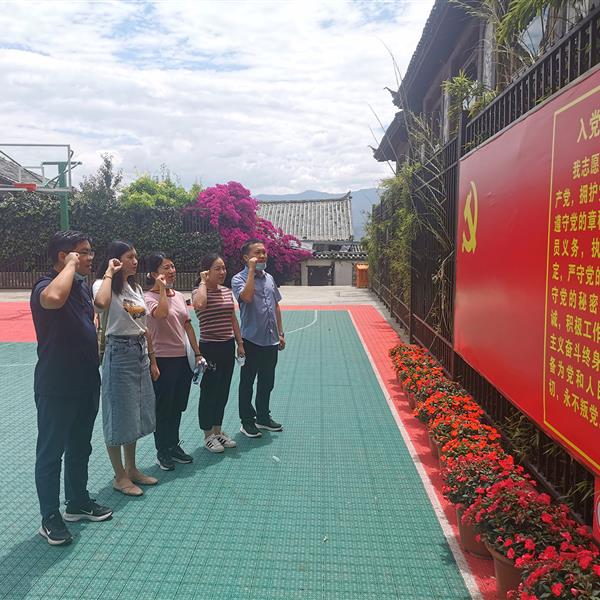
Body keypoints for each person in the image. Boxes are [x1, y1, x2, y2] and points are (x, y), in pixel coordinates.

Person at [31, 230, 113, 546]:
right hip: (57, 384)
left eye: (91, 251)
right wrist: (69, 265)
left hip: (85, 381)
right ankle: (49, 517)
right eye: (84, 252)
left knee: (80, 446)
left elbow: (97, 309)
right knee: (51, 453)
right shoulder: (44, 286)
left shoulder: (80, 287)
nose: (91, 257)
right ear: (65, 256)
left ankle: (77, 502)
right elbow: (53, 299)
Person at [93, 241, 158, 497]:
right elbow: (100, 304)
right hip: (118, 352)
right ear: (115, 260)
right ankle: (119, 476)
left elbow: (143, 325)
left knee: (134, 412)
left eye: (135, 256)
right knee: (117, 414)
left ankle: (131, 468)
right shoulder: (103, 284)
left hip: (138, 352)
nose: (135, 261)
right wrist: (110, 272)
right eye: (129, 257)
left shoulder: (135, 287)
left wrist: (151, 358)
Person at [145, 253, 201, 470]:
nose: (171, 271)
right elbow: (161, 314)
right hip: (161, 359)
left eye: (172, 267)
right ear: (153, 274)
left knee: (177, 405)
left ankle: (173, 445)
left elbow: (187, 325)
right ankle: (162, 451)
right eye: (165, 268)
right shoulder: (148, 297)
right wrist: (161, 290)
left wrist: (197, 353)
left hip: (181, 358)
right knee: (163, 408)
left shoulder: (178, 295)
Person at [231, 239, 285, 438]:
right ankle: (247, 421)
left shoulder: (269, 278)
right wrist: (252, 271)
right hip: (251, 340)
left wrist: (280, 333)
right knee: (247, 383)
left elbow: (276, 305)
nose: (262, 256)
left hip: (270, 340)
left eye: (264, 252)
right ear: (246, 258)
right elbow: (246, 297)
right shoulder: (238, 279)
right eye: (257, 253)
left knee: (267, 382)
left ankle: (263, 417)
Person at [192, 253, 245, 452]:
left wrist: (239, 343)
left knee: (223, 390)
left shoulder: (226, 291)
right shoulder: (198, 291)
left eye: (224, 268)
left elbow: (232, 319)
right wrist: (203, 282)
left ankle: (217, 431)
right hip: (209, 347)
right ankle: (208, 435)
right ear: (206, 271)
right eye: (217, 268)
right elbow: (199, 305)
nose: (222, 272)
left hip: (227, 346)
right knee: (209, 392)